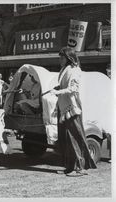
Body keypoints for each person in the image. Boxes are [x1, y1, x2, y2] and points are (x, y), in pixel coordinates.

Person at [50, 47, 97, 177]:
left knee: (75, 137)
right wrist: (59, 88)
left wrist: (58, 91)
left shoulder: (75, 70)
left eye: (61, 57)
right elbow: (66, 86)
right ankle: (70, 166)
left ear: (68, 58)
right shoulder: (64, 70)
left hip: (72, 108)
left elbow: (73, 88)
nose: (60, 59)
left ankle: (80, 168)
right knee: (65, 138)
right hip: (63, 107)